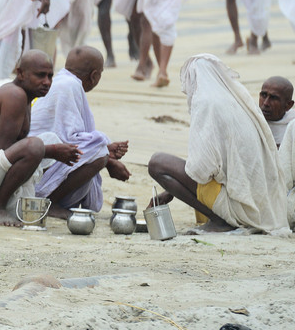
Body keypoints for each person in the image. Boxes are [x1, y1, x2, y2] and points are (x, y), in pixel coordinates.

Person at [148, 55, 289, 234]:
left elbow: (201, 170)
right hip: (262, 207)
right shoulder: (239, 101)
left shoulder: (207, 104)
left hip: (240, 207)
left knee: (157, 163)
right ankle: (221, 218)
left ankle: (221, 221)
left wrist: (175, 186)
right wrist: (171, 190)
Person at [0, 49, 81, 226]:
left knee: (50, 139)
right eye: (40, 75)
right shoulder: (14, 95)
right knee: (38, 146)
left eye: (49, 76)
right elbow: (5, 150)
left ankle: (16, 202)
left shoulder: (25, 96)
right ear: (21, 73)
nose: (46, 82)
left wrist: (50, 149)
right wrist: (51, 152)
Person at [29, 46, 130, 217]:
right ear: (94, 76)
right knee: (98, 150)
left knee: (99, 148)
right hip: (34, 170)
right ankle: (49, 203)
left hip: (38, 163)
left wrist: (107, 151)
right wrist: (106, 153)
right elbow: (70, 142)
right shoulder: (69, 85)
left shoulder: (62, 80)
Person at [259, 76, 294, 147]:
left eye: (274, 98)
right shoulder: (249, 122)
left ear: (288, 105)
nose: (265, 103)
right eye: (264, 95)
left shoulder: (292, 129)